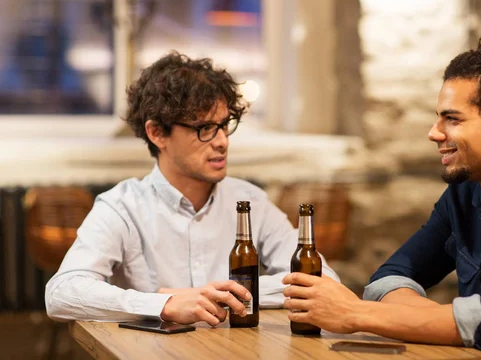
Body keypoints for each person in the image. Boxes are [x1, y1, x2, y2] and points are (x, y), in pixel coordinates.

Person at [282, 32, 481, 359]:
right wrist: (447, 320)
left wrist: (355, 314)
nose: (434, 133)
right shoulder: (465, 193)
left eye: (452, 119)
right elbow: (387, 279)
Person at [45, 52, 339, 325]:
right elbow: (61, 293)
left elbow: (323, 279)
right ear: (157, 133)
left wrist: (215, 297)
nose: (222, 141)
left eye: (225, 125)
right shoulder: (122, 206)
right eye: (205, 128)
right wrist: (164, 303)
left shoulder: (249, 201)